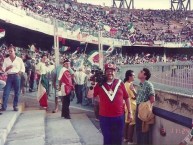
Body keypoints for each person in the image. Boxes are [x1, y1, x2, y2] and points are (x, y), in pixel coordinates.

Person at [94, 63, 132, 145]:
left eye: (112, 71)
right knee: (107, 140)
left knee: (118, 140)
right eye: (108, 71)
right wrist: (94, 83)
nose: (110, 73)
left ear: (115, 72)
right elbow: (91, 95)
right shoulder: (100, 84)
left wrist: (130, 112)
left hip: (119, 117)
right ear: (105, 72)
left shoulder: (120, 83)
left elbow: (127, 97)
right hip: (105, 118)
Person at [0, 45, 25, 111]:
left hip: (17, 76)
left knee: (17, 92)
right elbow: (3, 69)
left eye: (11, 51)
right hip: (9, 76)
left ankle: (15, 106)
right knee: (6, 92)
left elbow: (23, 68)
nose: (10, 52)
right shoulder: (6, 60)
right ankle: (4, 107)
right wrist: (8, 67)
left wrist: (19, 73)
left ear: (14, 51)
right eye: (9, 51)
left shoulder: (19, 59)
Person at [136, 68, 155, 145]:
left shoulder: (148, 84)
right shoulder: (140, 84)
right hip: (138, 107)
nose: (139, 72)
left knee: (144, 129)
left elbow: (152, 99)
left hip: (144, 108)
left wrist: (144, 108)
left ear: (145, 75)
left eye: (141, 72)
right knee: (138, 128)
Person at [124, 70, 137, 144]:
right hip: (132, 105)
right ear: (129, 76)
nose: (134, 76)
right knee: (132, 124)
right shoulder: (130, 85)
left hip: (127, 105)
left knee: (127, 122)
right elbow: (135, 96)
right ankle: (130, 141)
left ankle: (126, 138)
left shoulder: (125, 83)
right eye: (133, 75)